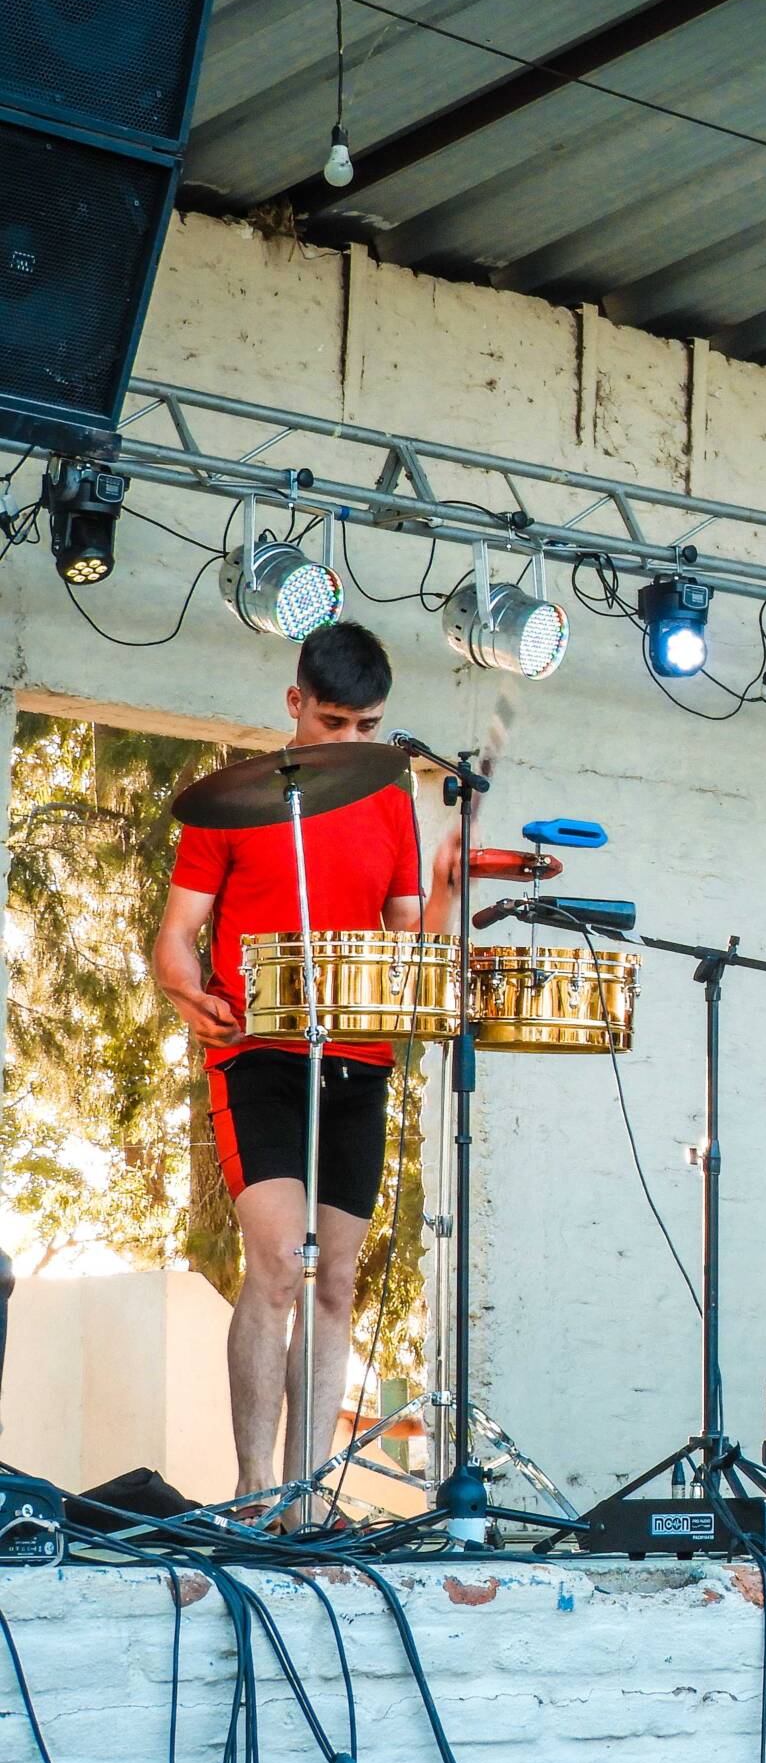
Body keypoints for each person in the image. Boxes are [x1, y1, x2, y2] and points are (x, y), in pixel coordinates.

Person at [152, 623, 455, 1504]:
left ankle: (307, 1492)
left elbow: (409, 945)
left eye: (369, 728)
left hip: (359, 1059)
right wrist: (184, 994)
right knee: (282, 1263)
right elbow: (176, 939)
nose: (354, 744)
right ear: (295, 705)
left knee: (340, 1280)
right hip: (259, 1055)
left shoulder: (393, 799)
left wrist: (446, 885)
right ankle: (252, 1488)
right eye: (335, 724)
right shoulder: (236, 800)